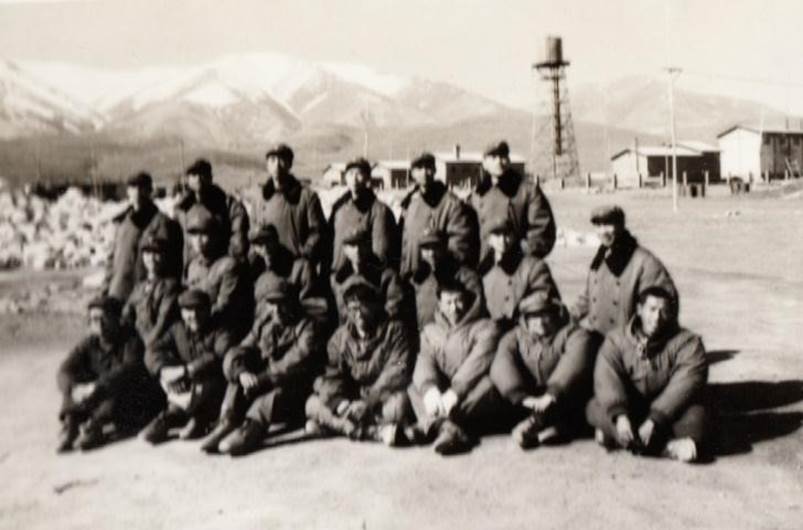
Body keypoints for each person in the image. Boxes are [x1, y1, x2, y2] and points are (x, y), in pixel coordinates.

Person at [201, 277, 326, 455]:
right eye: (271, 304)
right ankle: (227, 422)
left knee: (269, 398)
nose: (277, 310)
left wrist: (260, 380)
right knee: (236, 381)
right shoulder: (265, 323)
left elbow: (293, 363)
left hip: (295, 391)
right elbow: (239, 350)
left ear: (292, 302)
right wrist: (241, 373)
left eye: (282, 303)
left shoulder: (308, 326)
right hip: (266, 383)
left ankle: (250, 429)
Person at [586, 286, 708, 463]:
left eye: (663, 311)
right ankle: (665, 447)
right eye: (652, 309)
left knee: (698, 418)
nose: (657, 317)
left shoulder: (688, 342)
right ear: (639, 309)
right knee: (594, 407)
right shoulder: (616, 340)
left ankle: (623, 441)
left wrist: (655, 419)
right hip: (630, 406)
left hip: (668, 412)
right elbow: (607, 377)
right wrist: (620, 417)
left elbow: (686, 382)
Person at [305, 277, 414, 446]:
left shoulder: (395, 330)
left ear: (375, 306)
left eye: (364, 306)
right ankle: (373, 432)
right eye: (353, 309)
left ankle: (338, 426)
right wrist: (340, 404)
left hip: (381, 397)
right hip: (352, 400)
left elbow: (397, 369)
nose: (359, 314)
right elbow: (332, 376)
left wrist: (368, 402)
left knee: (399, 406)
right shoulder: (339, 338)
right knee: (312, 404)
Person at [409, 279, 503, 455]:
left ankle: (432, 425)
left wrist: (456, 392)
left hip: (470, 389)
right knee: (414, 387)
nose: (454, 308)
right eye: (448, 302)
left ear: (467, 301)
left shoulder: (486, 326)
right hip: (443, 390)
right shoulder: (430, 331)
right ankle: (448, 429)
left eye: (459, 301)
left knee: (489, 385)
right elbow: (424, 359)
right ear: (440, 305)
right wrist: (429, 388)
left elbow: (478, 362)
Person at [490, 291, 595, 449]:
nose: (539, 322)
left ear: (555, 314)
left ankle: (552, 425)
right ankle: (536, 425)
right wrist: (519, 395)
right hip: (530, 398)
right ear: (525, 319)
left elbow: (573, 364)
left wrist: (553, 393)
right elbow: (502, 362)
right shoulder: (516, 336)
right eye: (533, 317)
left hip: (565, 396)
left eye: (545, 315)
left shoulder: (573, 333)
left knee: (577, 406)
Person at [57, 296, 159, 452]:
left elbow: (127, 370)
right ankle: (71, 425)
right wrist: (73, 389)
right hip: (98, 395)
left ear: (116, 319)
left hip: (130, 401)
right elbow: (65, 369)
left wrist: (95, 387)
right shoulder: (90, 342)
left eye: (103, 318)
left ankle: (95, 426)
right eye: (93, 319)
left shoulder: (131, 340)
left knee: (116, 386)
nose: (98, 324)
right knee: (74, 381)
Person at [571, 205, 677, 337]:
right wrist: (568, 318)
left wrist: (647, 339)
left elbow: (666, 303)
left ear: (621, 225)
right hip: (598, 338)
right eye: (598, 225)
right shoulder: (601, 257)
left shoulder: (644, 262)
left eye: (608, 224)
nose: (603, 231)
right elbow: (589, 297)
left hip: (628, 342)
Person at [141, 290, 231, 444]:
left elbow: (219, 354)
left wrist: (186, 370)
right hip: (188, 386)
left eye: (199, 309)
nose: (194, 315)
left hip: (213, 387)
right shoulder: (178, 329)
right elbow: (153, 350)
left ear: (208, 310)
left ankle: (201, 419)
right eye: (188, 310)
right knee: (171, 381)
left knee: (207, 385)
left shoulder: (220, 328)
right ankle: (169, 418)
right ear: (182, 313)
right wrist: (164, 371)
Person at [466, 141, 556, 266]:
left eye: (503, 156)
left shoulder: (527, 191)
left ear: (508, 161)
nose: (499, 162)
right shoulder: (476, 195)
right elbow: (467, 234)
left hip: (517, 265)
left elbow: (542, 232)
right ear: (484, 163)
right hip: (484, 266)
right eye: (493, 157)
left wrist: (518, 254)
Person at [245, 143, 327, 270]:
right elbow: (253, 232)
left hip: (296, 266)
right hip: (267, 267)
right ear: (267, 165)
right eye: (272, 160)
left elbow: (317, 231)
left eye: (282, 159)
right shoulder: (259, 198)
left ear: (290, 164)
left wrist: (306, 254)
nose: (277, 165)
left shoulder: (307, 196)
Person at [102, 171, 182, 302]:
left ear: (150, 191)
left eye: (142, 188)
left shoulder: (164, 224)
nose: (137, 193)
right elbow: (113, 259)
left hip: (147, 295)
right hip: (119, 292)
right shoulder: (123, 223)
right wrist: (105, 287)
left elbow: (172, 263)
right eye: (133, 188)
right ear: (128, 191)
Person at [398, 152, 474, 274]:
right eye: (419, 168)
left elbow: (459, 247)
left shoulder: (451, 204)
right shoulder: (411, 202)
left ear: (434, 170)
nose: (424, 173)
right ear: (412, 173)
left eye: (428, 167)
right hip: (411, 277)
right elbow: (404, 245)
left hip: (437, 277)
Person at [185, 205, 253, 341]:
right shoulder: (193, 266)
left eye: (204, 234)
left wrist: (197, 318)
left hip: (222, 330)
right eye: (194, 235)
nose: (198, 240)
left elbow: (224, 306)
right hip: (196, 328)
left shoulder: (228, 265)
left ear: (215, 236)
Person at [481, 217, 560, 328]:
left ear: (514, 236)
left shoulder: (533, 266)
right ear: (489, 239)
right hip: (490, 328)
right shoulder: (483, 269)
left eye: (507, 234)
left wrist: (522, 307)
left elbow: (546, 296)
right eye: (497, 235)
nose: (502, 240)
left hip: (525, 328)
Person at [403, 227, 484, 331]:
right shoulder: (418, 279)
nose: (431, 253)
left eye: (436, 247)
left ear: (445, 247)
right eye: (426, 248)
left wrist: (458, 332)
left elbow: (476, 308)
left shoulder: (465, 276)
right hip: (426, 336)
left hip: (460, 333)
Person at [329, 157, 398, 272]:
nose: (354, 179)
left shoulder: (379, 210)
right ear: (345, 177)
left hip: (363, 276)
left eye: (359, 174)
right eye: (351, 174)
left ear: (367, 178)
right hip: (337, 274)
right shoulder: (339, 209)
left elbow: (380, 254)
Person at [175, 158, 249, 263]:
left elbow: (238, 238)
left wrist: (230, 262)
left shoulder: (228, 204)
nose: (198, 178)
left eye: (202, 174)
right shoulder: (182, 209)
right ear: (188, 179)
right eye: (194, 175)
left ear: (210, 177)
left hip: (220, 264)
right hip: (192, 266)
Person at [329, 228, 406, 324]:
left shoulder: (387, 276)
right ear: (345, 250)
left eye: (361, 244)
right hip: (349, 329)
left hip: (379, 328)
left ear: (369, 246)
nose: (357, 250)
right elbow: (341, 312)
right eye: (352, 245)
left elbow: (393, 308)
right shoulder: (338, 280)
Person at [121, 235, 180, 348]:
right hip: (138, 339)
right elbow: (126, 314)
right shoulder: (140, 287)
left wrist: (145, 344)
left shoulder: (169, 286)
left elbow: (162, 322)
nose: (151, 258)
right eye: (147, 253)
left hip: (158, 341)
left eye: (156, 253)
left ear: (164, 256)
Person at [248, 224, 316, 302]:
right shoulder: (253, 271)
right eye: (259, 244)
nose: (265, 248)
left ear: (276, 241)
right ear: (254, 248)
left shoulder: (300, 267)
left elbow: (310, 303)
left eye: (268, 241)